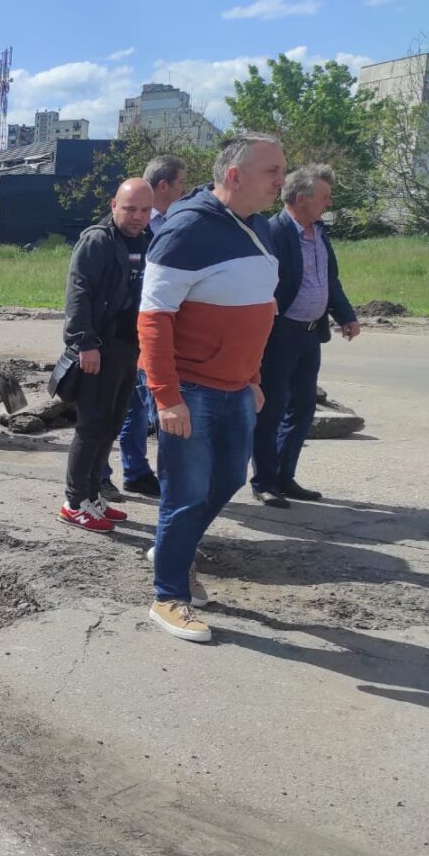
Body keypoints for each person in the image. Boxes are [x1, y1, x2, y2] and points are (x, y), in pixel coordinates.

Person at [139, 132, 286, 643]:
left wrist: (253, 377)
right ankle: (168, 596)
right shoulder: (187, 229)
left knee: (227, 480)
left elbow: (256, 309)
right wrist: (166, 396)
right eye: (272, 171)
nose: (281, 180)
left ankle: (171, 550)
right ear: (235, 176)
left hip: (237, 387)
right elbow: (153, 318)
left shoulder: (258, 226)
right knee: (185, 493)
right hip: (191, 388)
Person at [250, 164, 360, 508]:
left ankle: (284, 476)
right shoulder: (274, 232)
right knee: (271, 410)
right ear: (301, 198)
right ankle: (264, 481)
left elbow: (329, 278)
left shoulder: (319, 232)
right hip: (280, 334)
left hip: (311, 334)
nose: (329, 202)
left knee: (302, 409)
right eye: (324, 197)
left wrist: (346, 315)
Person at [58, 178, 153, 532]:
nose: (137, 217)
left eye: (144, 210)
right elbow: (78, 291)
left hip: (129, 348)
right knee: (91, 426)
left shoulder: (146, 240)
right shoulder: (97, 241)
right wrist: (85, 343)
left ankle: (93, 494)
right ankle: (74, 503)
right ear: (114, 205)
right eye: (130, 209)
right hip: (99, 347)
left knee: (110, 426)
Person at [101, 155, 189, 500]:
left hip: (152, 330)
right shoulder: (117, 230)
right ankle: (99, 475)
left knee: (137, 408)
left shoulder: (172, 224)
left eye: (143, 210)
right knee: (114, 409)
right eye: (181, 184)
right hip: (121, 333)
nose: (185, 190)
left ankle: (136, 471)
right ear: (163, 185)